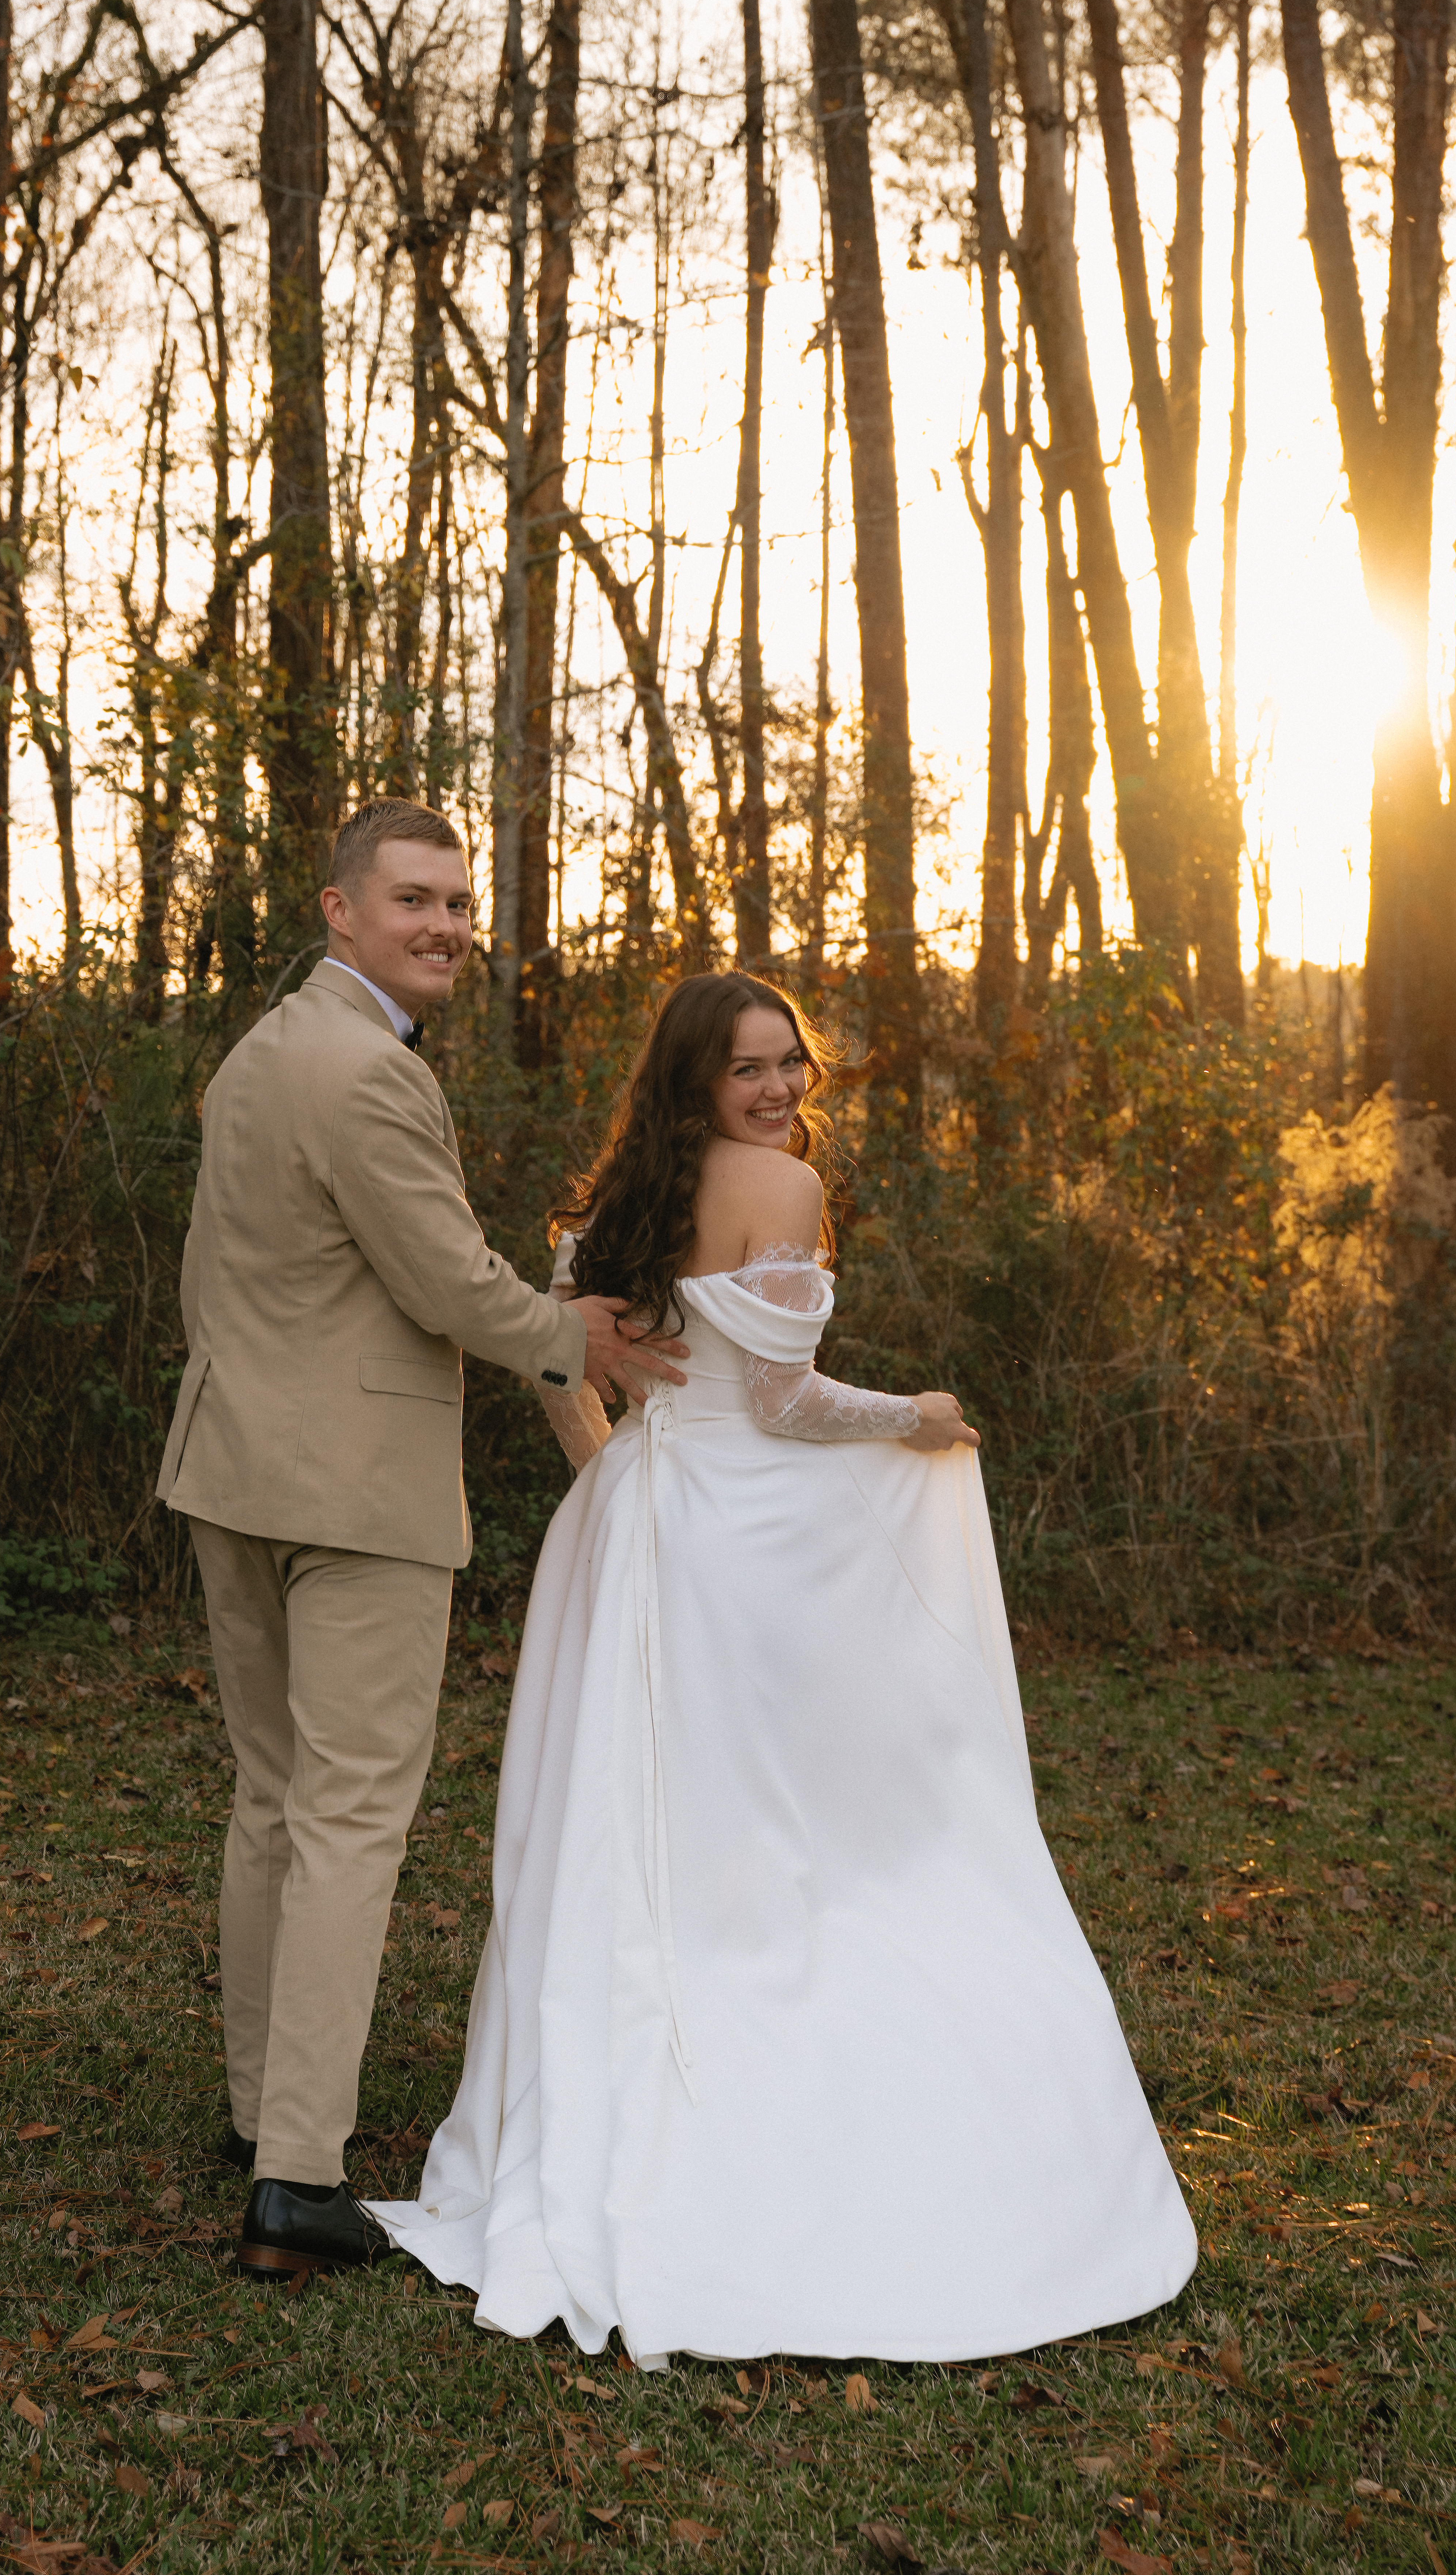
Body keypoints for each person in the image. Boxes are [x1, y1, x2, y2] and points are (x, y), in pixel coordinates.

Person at [371, 971, 1196, 2364]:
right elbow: (788, 1401)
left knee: (659, 1821)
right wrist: (921, 1414)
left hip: (636, 1529)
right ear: (699, 1077)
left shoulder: (636, 1184)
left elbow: (554, 1346)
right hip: (743, 1540)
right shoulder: (782, 1190)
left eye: (789, 1065)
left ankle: (639, 2068)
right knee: (799, 1825)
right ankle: (759, 2073)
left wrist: (615, 1471)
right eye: (748, 1068)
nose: (777, 1091)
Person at [155, 799, 684, 2281]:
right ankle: (299, 2179)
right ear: (339, 909)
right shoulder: (367, 1074)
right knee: (349, 1815)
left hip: (235, 1467)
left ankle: (267, 2107)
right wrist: (568, 1337)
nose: (447, 923)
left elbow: (245, 1271)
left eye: (459, 900)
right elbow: (448, 1280)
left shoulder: (262, 1052)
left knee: (275, 1794)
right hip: (353, 1492)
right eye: (414, 899)